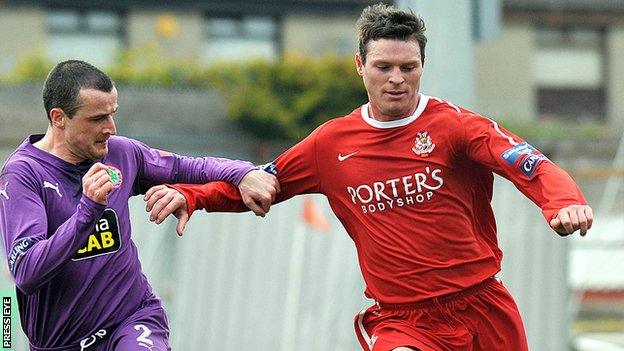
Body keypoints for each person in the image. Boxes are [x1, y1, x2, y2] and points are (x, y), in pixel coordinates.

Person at [145, 4, 593, 351]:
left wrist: (562, 200)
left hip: (483, 307)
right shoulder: (330, 144)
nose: (396, 79)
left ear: (422, 65)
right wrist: (194, 196)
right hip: (405, 320)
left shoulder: (455, 126)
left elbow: (527, 162)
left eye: (408, 67)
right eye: (383, 67)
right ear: (360, 65)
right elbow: (260, 183)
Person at [0, 60, 278, 351]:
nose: (110, 128)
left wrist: (244, 172)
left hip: (131, 319)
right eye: (97, 119)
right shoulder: (22, 175)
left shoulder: (121, 153)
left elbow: (190, 167)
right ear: (59, 118)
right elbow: (27, 272)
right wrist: (87, 211)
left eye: (112, 114)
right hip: (60, 343)